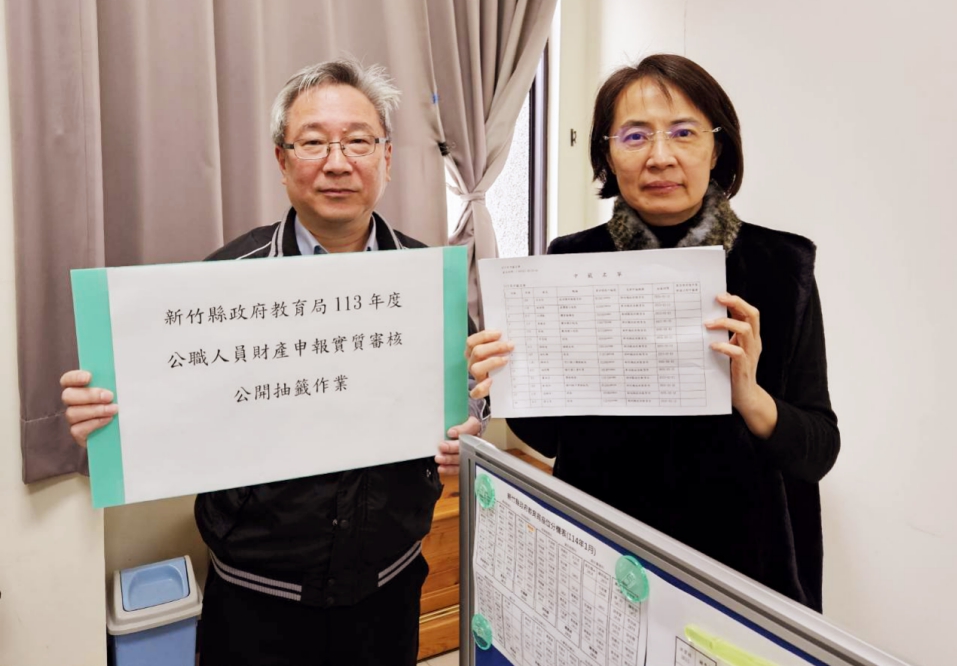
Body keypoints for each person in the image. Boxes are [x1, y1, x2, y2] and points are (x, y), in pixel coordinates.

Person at [60, 58, 485, 665]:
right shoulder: (221, 282)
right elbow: (168, 404)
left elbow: (467, 400)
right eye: (313, 143)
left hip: (387, 589)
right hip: (255, 600)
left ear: (386, 158)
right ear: (282, 161)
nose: (337, 162)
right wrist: (105, 419)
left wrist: (471, 423)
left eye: (358, 141)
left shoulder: (430, 282)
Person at [454, 54, 840, 612]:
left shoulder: (782, 267)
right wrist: (508, 380)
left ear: (717, 148)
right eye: (634, 136)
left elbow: (819, 451)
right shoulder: (570, 262)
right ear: (608, 154)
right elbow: (550, 439)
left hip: (743, 569)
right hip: (604, 559)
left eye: (684, 132)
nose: (660, 156)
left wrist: (751, 397)